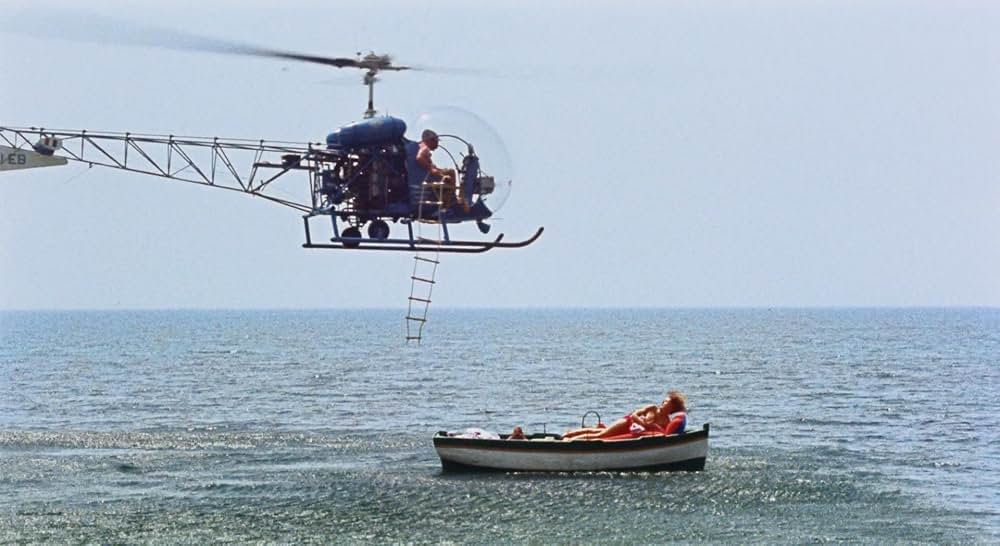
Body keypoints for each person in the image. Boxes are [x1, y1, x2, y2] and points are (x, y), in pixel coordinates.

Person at [561, 391, 688, 440]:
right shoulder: (652, 408)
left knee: (601, 431)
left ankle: (570, 435)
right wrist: (643, 423)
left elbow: (661, 433)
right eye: (664, 401)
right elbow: (634, 415)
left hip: (635, 432)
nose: (663, 403)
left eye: (666, 402)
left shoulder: (666, 421)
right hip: (628, 423)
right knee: (602, 434)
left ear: (672, 407)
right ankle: (570, 438)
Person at [414, 129, 460, 208]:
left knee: (448, 171)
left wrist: (438, 170)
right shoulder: (425, 148)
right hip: (428, 177)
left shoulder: (420, 147)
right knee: (451, 172)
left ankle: (448, 198)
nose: (437, 144)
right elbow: (419, 158)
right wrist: (433, 170)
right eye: (436, 141)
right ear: (430, 140)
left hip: (427, 176)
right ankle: (450, 201)